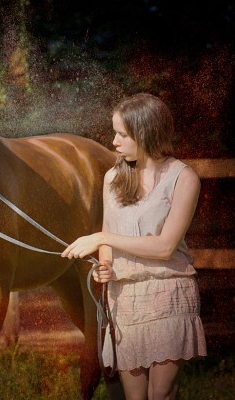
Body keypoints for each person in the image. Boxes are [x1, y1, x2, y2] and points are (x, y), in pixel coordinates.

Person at [61, 93, 207, 400]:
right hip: (124, 298)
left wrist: (101, 240)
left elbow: (164, 247)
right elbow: (108, 234)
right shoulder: (113, 178)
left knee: (161, 393)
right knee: (134, 397)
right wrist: (105, 265)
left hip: (167, 293)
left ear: (146, 133)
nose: (114, 141)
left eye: (122, 134)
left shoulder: (183, 178)